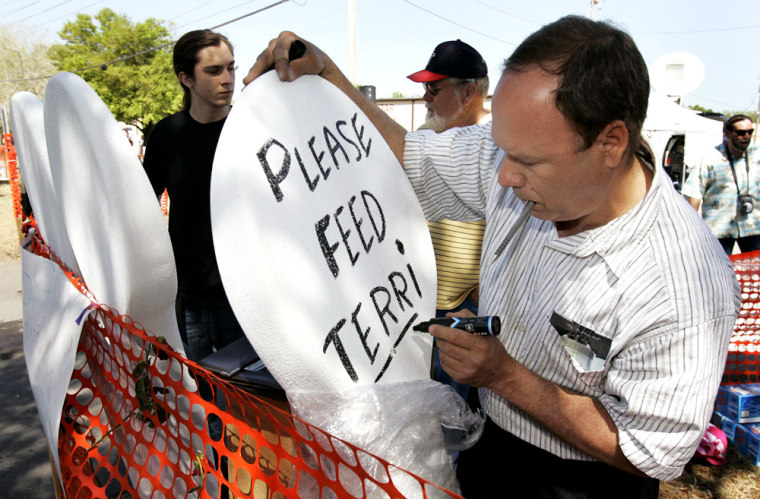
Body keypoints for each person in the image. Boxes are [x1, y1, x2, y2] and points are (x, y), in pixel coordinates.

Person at [244, 15, 740, 498]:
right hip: (489, 442)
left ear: (610, 143)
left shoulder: (681, 283)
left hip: (580, 481)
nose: (503, 177)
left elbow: (650, 449)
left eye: (527, 162)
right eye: (501, 150)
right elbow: (409, 156)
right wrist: (328, 74)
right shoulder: (518, 150)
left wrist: (505, 375)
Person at [143, 29, 245, 362]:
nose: (227, 79)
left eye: (231, 67)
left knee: (253, 401)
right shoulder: (165, 135)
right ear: (185, 77)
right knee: (199, 402)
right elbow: (141, 207)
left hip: (248, 297)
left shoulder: (251, 129)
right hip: (188, 297)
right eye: (214, 71)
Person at [407, 39, 491, 402]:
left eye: (435, 88)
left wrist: (480, 298)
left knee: (455, 414)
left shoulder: (496, 147)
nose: (426, 97)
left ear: (469, 90)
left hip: (463, 312)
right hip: (415, 303)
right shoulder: (419, 140)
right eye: (426, 88)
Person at [682, 114, 760, 254]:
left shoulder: (757, 156)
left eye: (750, 132)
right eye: (741, 133)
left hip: (752, 227)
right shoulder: (709, 158)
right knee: (720, 273)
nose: (746, 136)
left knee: (754, 273)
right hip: (719, 229)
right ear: (727, 133)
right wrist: (691, 229)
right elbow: (694, 195)